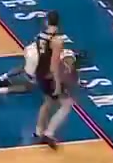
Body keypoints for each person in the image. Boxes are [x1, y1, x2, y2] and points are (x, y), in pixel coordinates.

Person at [31, 11, 65, 140]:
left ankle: (39, 130)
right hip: (49, 75)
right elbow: (54, 65)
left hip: (39, 71)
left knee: (48, 102)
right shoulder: (57, 41)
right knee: (66, 104)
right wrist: (57, 83)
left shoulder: (39, 36)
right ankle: (48, 132)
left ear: (47, 21)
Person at [36, 49, 79, 149]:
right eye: (67, 59)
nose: (70, 62)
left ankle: (40, 131)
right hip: (52, 83)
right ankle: (48, 133)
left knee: (49, 104)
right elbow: (61, 82)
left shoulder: (67, 68)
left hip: (48, 81)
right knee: (65, 106)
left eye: (71, 60)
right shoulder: (61, 69)